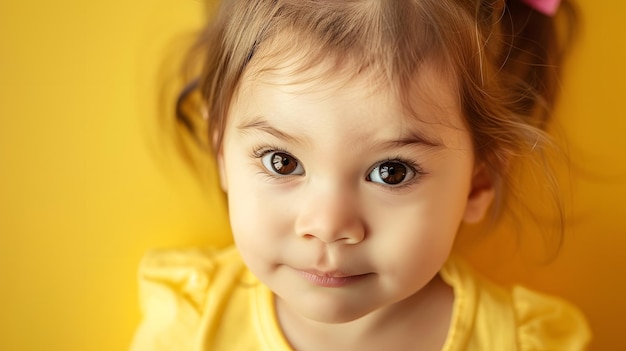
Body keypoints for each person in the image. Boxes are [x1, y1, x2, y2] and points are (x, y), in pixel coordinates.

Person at [131, 0, 591, 349]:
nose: (329, 226)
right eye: (282, 162)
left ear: (479, 181)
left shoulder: (520, 341)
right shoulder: (191, 325)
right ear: (221, 152)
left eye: (390, 172)